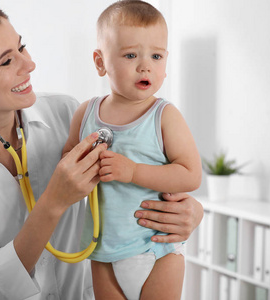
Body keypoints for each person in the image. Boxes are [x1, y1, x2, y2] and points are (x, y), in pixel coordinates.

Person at [0, 1, 203, 299]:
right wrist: (54, 201)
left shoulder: (70, 114)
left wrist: (192, 212)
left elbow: (145, 175)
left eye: (21, 47)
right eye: (6, 61)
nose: (29, 64)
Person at [62, 1, 202, 299]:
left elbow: (190, 175)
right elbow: (66, 163)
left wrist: (133, 171)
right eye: (130, 55)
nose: (145, 65)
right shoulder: (85, 114)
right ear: (100, 62)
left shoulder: (164, 116)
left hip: (157, 248)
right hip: (102, 251)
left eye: (156, 55)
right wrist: (82, 165)